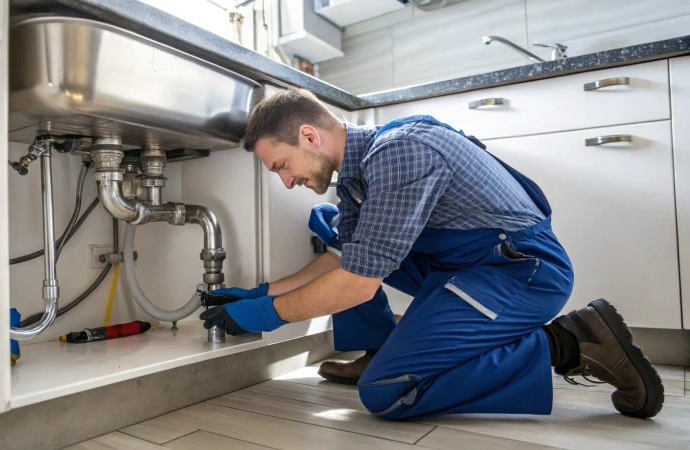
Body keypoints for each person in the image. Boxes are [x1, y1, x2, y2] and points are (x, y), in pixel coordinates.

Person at [200, 88, 664, 420]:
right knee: (333, 226)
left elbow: (357, 283)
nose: (286, 180)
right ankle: (381, 345)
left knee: (387, 392)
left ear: (308, 135)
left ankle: (571, 343)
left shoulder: (399, 153)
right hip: (468, 265)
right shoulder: (359, 177)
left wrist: (264, 314)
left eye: (282, 165)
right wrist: (257, 294)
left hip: (519, 272)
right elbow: (344, 259)